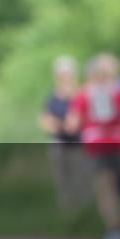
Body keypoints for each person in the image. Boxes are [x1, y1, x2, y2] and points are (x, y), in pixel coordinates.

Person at [64, 53, 120, 239]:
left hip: (96, 145)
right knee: (116, 186)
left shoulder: (84, 93)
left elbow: (71, 124)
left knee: (105, 190)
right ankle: (118, 224)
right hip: (119, 144)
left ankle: (115, 230)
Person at [39, 56, 92, 210]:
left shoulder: (82, 93)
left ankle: (84, 209)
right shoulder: (53, 96)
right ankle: (67, 209)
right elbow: (45, 117)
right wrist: (54, 124)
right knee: (62, 178)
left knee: (81, 176)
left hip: (79, 141)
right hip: (59, 141)